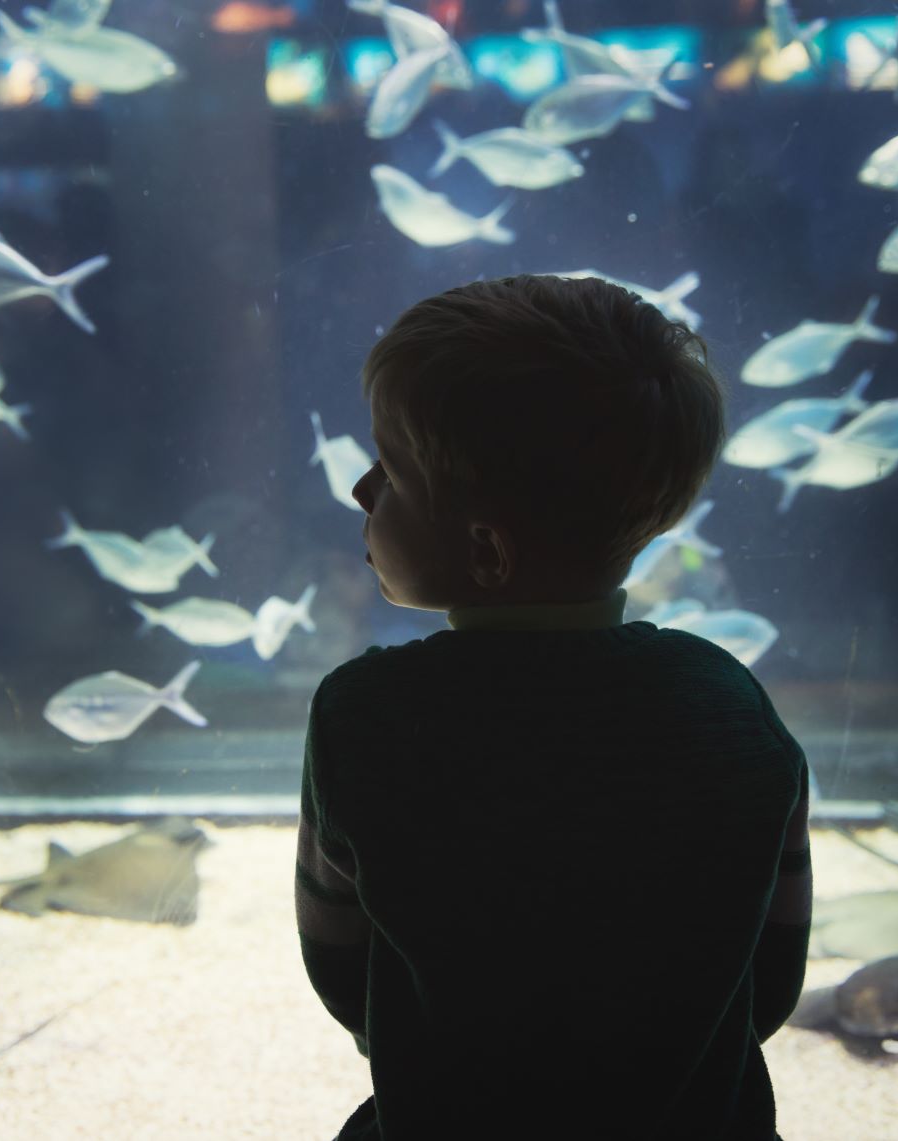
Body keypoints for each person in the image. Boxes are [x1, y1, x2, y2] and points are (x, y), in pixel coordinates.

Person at [295, 275, 810, 1140]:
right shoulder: (728, 703)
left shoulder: (367, 714)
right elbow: (773, 972)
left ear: (486, 549)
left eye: (390, 468)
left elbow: (341, 969)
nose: (361, 490)